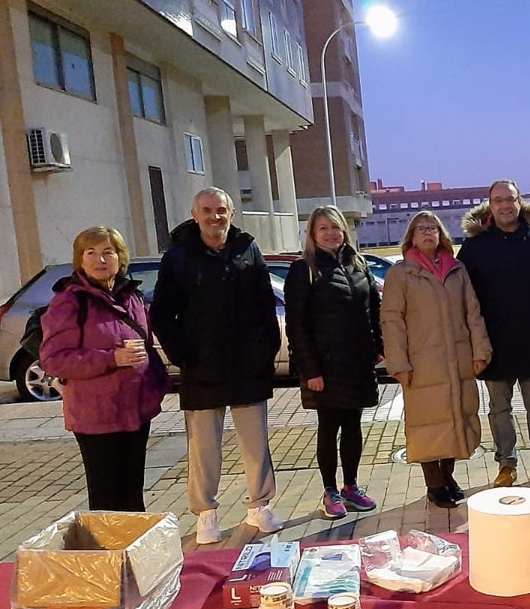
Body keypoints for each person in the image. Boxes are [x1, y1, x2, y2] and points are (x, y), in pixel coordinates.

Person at [150, 187, 283, 544]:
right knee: (204, 447)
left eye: (221, 210)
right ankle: (205, 513)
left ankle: (260, 505)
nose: (215, 216)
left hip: (247, 364)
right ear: (195, 214)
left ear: (232, 213)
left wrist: (267, 348)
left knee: (256, 443)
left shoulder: (247, 249)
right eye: (207, 210)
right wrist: (182, 355)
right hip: (201, 366)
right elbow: (161, 314)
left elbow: (265, 304)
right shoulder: (178, 256)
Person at [40, 227, 170, 512]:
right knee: (106, 497)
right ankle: (108, 554)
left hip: (135, 411)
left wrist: (156, 386)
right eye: (92, 253)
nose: (100, 260)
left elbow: (146, 345)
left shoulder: (130, 296)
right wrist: (112, 358)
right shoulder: (70, 301)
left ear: (119, 257)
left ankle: (134, 551)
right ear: (81, 260)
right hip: (97, 416)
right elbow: (54, 359)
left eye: (107, 252)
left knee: (133, 492)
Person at [458, 180, 530, 490]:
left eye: (510, 199)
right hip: (493, 344)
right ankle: (506, 464)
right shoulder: (475, 247)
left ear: (520, 203)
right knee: (499, 410)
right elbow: (463, 296)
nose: (505, 205)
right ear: (490, 205)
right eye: (498, 200)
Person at [382, 212, 492, 509]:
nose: (427, 233)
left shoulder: (457, 269)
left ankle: (448, 475)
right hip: (422, 363)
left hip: (457, 360)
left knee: (458, 418)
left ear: (441, 234)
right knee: (427, 426)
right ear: (411, 237)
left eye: (432, 228)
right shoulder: (401, 273)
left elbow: (473, 312)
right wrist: (399, 363)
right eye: (421, 229)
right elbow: (392, 321)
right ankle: (434, 484)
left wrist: (480, 350)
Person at [284, 206, 382, 520]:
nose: (330, 233)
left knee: (353, 427)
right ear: (312, 234)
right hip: (325, 366)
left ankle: (351, 486)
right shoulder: (305, 270)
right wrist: (309, 370)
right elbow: (296, 325)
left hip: (357, 363)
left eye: (335, 227)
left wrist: (378, 346)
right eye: (323, 228)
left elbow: (374, 310)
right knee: (329, 428)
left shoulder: (359, 263)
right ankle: (330, 491)